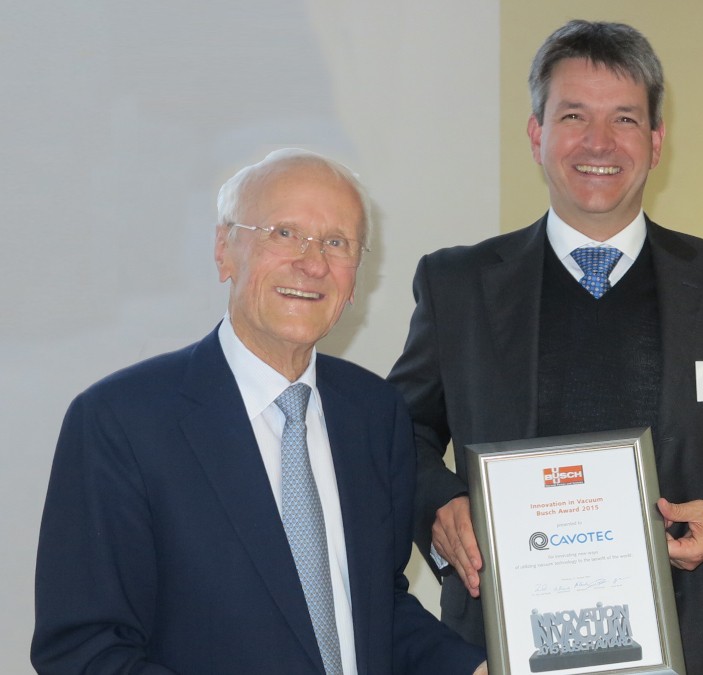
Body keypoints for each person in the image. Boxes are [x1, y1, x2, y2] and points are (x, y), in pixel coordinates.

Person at [387, 19, 703, 675]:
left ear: (656, 141)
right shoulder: (458, 285)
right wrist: (441, 505)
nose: (599, 142)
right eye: (573, 116)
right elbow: (400, 433)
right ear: (536, 134)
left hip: (697, 646)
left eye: (624, 119)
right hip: (505, 647)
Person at [32, 149, 487, 675]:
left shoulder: (373, 414)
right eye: (284, 233)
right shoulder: (121, 422)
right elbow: (84, 649)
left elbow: (374, 611)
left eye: (336, 242)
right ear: (224, 250)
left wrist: (472, 669)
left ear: (354, 276)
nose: (312, 263)